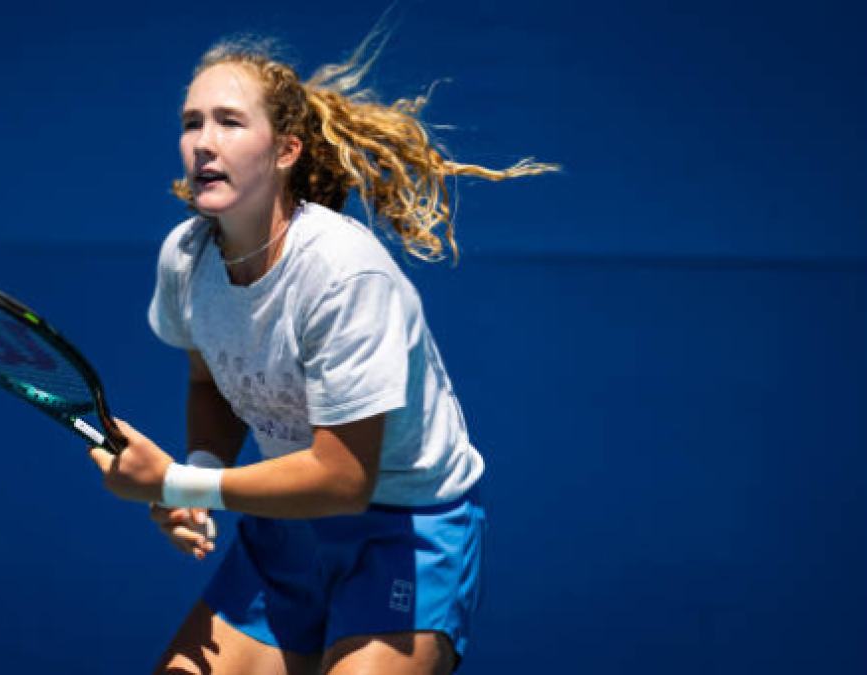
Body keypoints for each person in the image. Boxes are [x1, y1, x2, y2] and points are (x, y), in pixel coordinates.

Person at [87, 23, 558, 674]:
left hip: (406, 531)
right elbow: (208, 383)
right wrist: (198, 468)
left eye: (228, 121)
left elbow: (344, 477)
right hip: (285, 522)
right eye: (191, 122)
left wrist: (173, 480)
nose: (203, 142)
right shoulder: (185, 258)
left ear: (286, 150)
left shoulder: (343, 272)